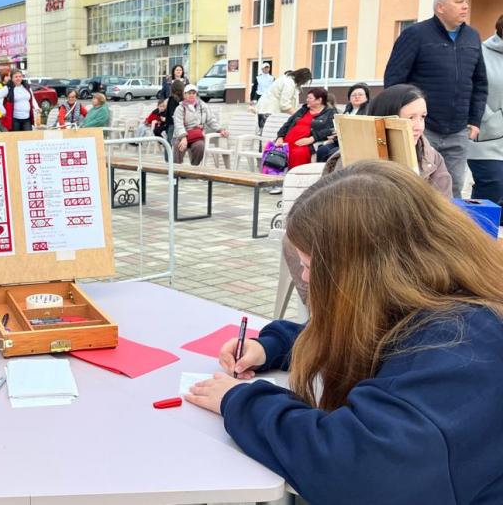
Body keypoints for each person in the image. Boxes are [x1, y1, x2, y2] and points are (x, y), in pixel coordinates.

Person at [185, 160, 503, 504]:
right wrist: (270, 348)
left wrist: (240, 401)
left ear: (361, 272)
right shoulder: (444, 297)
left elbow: (354, 468)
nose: (305, 278)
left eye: (309, 265)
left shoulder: (459, 347)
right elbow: (366, 330)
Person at [282, 84, 453, 305]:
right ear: (386, 120)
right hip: (358, 238)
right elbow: (336, 209)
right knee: (296, 242)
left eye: (422, 117)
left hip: (412, 246)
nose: (418, 126)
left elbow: (443, 210)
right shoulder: (354, 154)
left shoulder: (431, 158)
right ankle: (324, 312)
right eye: (410, 118)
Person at [384, 0, 488, 198]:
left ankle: (447, 231)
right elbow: (394, 80)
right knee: (414, 185)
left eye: (466, 2)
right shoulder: (415, 34)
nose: (465, 6)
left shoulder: (472, 37)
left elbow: (480, 83)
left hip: (459, 129)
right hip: (421, 127)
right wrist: (403, 120)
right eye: (459, 2)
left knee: (453, 187)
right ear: (440, 7)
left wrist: (474, 120)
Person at [468, 13, 503, 206]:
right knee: (493, 190)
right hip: (489, 139)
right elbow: (472, 87)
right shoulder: (480, 52)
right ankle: (479, 234)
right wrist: (490, 117)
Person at [273, 87, 335, 169]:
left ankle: (296, 179)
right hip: (286, 142)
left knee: (298, 153)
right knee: (274, 152)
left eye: (310, 98)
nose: (307, 100)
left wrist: (312, 138)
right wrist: (280, 137)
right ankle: (274, 179)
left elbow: (329, 130)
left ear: (319, 100)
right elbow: (287, 124)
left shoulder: (330, 113)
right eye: (307, 97)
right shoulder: (303, 110)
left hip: (305, 143)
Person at [173, 84, 228, 166]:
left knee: (200, 146)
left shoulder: (203, 106)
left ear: (196, 94)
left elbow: (211, 120)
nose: (191, 95)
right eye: (189, 93)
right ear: (184, 95)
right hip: (183, 134)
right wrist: (183, 137)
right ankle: (177, 170)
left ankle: (194, 168)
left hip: (196, 135)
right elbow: (178, 124)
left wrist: (220, 129)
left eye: (193, 93)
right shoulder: (180, 108)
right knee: (178, 146)